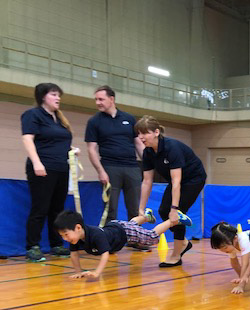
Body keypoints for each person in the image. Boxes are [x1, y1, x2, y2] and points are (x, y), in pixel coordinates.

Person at [135, 115, 206, 267]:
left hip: (193, 178)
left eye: (144, 133)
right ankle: (184, 243)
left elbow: (176, 181)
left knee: (177, 213)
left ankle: (176, 255)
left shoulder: (171, 147)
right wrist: (141, 208)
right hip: (178, 181)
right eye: (139, 133)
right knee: (162, 211)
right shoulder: (148, 152)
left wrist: (174, 209)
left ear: (156, 132)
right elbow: (147, 181)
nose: (141, 137)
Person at [54, 208, 192, 280]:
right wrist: (78, 272)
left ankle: (174, 220)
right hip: (115, 226)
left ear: (78, 228)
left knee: (150, 238)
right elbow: (73, 255)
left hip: (123, 232)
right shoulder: (76, 238)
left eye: (66, 234)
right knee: (131, 224)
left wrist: (97, 272)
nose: (65, 239)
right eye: (62, 236)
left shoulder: (96, 235)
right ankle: (146, 217)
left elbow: (105, 255)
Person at [21, 83, 75, 262]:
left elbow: (58, 142)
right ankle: (33, 246)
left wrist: (72, 149)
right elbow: (28, 138)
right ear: (43, 96)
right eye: (54, 95)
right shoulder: (33, 115)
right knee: (40, 208)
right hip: (43, 168)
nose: (58, 98)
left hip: (61, 168)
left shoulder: (59, 119)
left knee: (57, 210)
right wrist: (37, 163)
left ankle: (56, 244)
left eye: (59, 95)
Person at [85, 86, 145, 225]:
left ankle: (135, 239)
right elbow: (91, 149)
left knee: (135, 208)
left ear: (111, 99)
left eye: (101, 99)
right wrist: (100, 171)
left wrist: (148, 164)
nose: (98, 102)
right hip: (110, 168)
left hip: (132, 168)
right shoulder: (94, 122)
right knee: (110, 209)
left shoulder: (129, 118)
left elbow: (138, 144)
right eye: (96, 100)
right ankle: (109, 239)